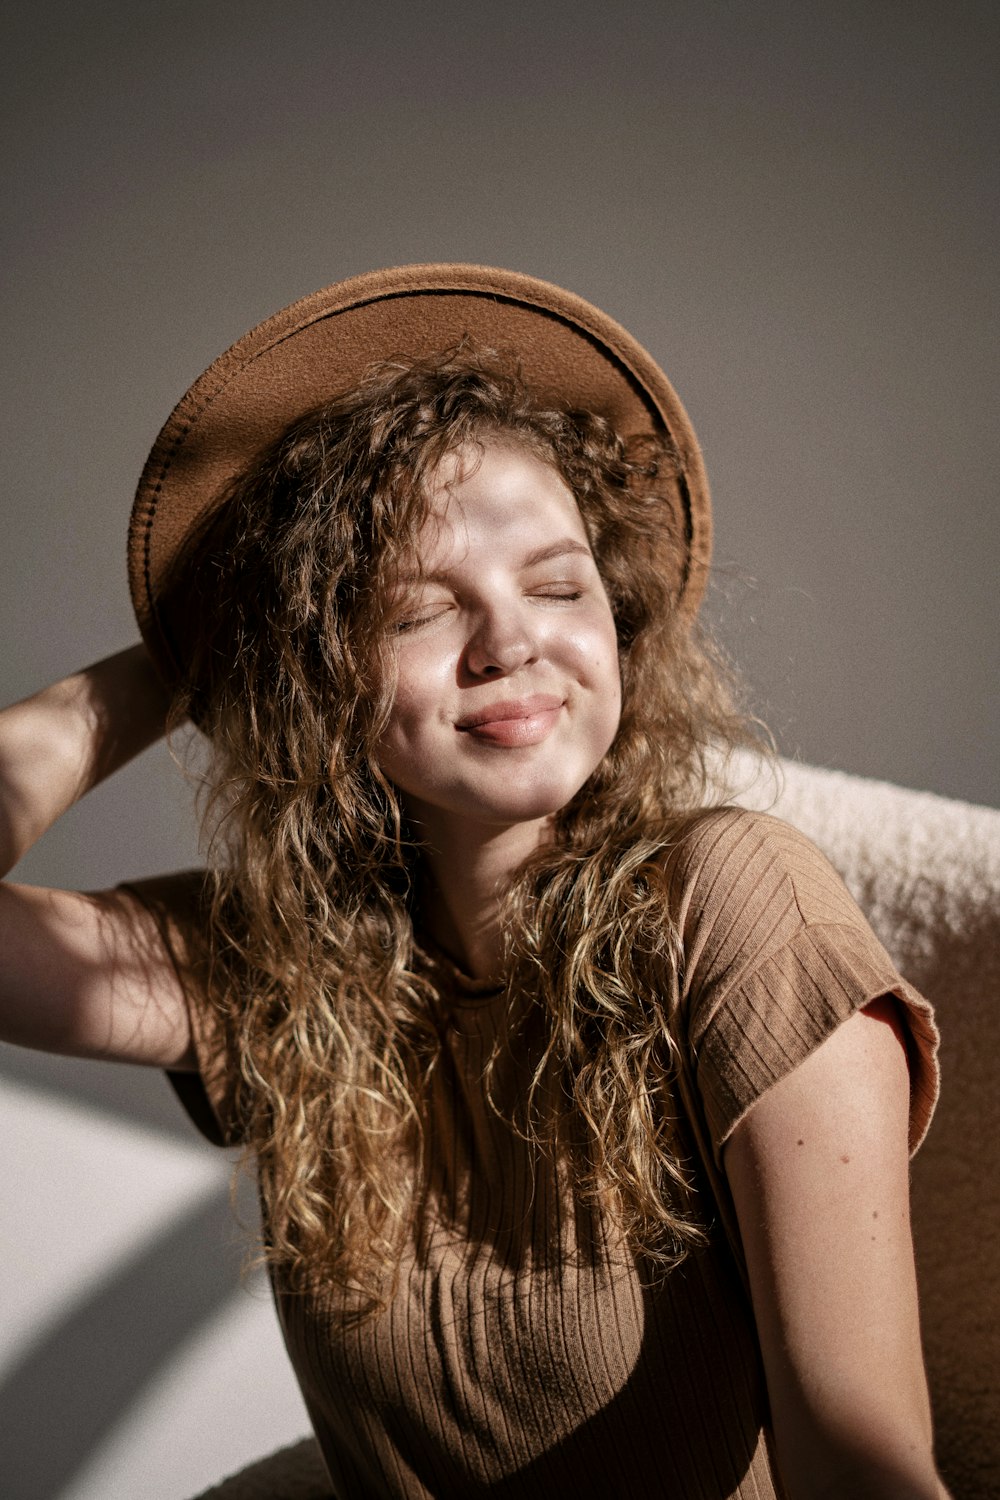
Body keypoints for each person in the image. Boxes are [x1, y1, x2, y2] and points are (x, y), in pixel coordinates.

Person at [0, 265, 948, 1498]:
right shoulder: (286, 964)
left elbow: (858, 1462)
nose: (512, 643)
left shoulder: (732, 901)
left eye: (557, 586)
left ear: (617, 620)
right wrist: (192, 652)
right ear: (320, 675)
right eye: (418, 611)